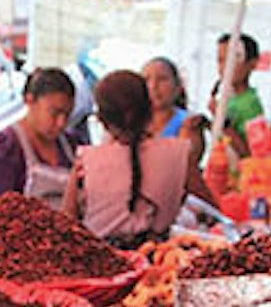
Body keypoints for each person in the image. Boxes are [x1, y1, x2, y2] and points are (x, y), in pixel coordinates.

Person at [63, 70, 215, 248]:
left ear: (101, 120)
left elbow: (67, 224)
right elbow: (213, 211)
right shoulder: (179, 155)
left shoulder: (86, 162)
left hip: (101, 264)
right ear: (150, 110)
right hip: (160, 261)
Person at [0, 67, 77, 204]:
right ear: (29, 100)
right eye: (54, 113)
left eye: (67, 114)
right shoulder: (4, 147)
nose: (61, 123)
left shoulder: (72, 144)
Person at [210, 33, 263, 161]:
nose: (224, 67)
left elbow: (249, 153)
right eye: (220, 60)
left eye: (233, 60)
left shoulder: (250, 104)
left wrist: (224, 121)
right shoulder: (229, 99)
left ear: (252, 64)